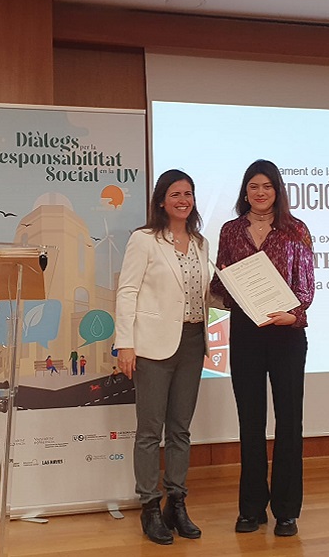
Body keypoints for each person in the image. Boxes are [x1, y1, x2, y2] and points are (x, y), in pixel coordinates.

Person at [210, 159, 315, 538]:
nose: (259, 193)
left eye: (267, 186)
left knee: (289, 423)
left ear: (278, 190)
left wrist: (295, 314)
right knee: (250, 422)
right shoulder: (231, 230)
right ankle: (251, 508)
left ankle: (287, 510)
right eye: (253, 186)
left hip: (286, 336)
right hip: (246, 334)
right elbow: (221, 285)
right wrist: (218, 285)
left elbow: (306, 287)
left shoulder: (296, 230)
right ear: (244, 191)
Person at [116, 169, 211, 545]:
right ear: (161, 201)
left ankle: (177, 502)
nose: (183, 200)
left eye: (188, 193)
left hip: (192, 342)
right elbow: (126, 291)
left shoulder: (201, 243)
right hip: (152, 345)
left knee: (181, 430)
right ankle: (150, 506)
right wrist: (125, 343)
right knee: (149, 431)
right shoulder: (145, 240)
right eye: (175, 194)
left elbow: (206, 293)